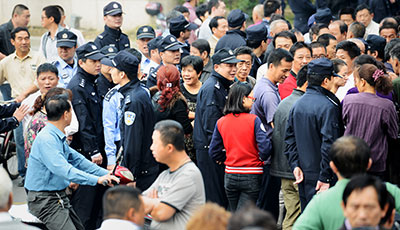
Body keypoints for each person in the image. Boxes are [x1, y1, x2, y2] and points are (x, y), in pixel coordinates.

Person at [24, 94, 118, 230]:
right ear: (66, 114)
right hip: (45, 200)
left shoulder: (55, 135)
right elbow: (65, 170)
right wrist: (97, 179)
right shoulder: (47, 139)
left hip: (57, 196)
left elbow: (79, 160)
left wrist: (108, 174)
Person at [285, 58, 343, 210]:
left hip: (303, 174)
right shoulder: (328, 106)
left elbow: (289, 139)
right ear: (326, 80)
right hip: (322, 176)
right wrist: (325, 176)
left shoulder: (298, 104)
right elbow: (329, 144)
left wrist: (295, 165)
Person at [209, 83, 272, 211]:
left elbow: (213, 150)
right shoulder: (254, 120)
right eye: (252, 99)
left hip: (230, 173)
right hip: (252, 173)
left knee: (233, 212)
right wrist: (259, 159)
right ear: (244, 99)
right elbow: (265, 148)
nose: (253, 102)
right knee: (244, 216)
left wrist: (225, 158)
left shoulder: (221, 121)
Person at [193, 48, 242, 208]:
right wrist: (220, 152)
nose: (233, 69)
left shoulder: (224, 85)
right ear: (216, 67)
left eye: (234, 65)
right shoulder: (212, 88)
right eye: (229, 65)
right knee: (215, 200)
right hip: (211, 150)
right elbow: (212, 126)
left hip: (217, 149)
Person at [66, 42, 107, 229]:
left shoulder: (92, 80)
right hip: (86, 152)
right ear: (81, 62)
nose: (98, 64)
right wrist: (94, 151)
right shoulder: (78, 86)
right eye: (93, 61)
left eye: (99, 60)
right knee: (85, 201)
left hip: (96, 149)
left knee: (96, 201)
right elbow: (84, 122)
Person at [107, 50, 159, 191]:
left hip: (141, 172)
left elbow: (133, 141)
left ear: (122, 74)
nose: (110, 71)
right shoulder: (138, 92)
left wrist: (130, 175)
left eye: (113, 69)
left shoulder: (133, 100)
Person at [0, 27, 45, 184]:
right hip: (19, 107)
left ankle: (41, 172)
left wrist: (25, 94)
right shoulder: (6, 62)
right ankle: (25, 174)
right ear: (13, 41)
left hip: (38, 105)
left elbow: (41, 80)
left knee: (39, 140)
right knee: (21, 141)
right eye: (20, 38)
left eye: (27, 38)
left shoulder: (38, 58)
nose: (24, 42)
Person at [142, 120, 205, 230]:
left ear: (169, 148)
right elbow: (138, 203)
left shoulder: (189, 175)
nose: (151, 147)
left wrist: (152, 204)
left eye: (155, 143)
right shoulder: (165, 175)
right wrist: (156, 203)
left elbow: (162, 213)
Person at [342, 64, 397, 178]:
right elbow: (393, 134)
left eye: (356, 80)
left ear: (362, 82)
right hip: (376, 161)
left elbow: (343, 122)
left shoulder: (348, 100)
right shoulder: (387, 105)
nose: (355, 84)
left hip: (350, 159)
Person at [271, 65, 308, 230]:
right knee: (298, 214)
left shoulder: (285, 102)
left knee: (291, 214)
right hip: (296, 169)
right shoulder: (301, 105)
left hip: (284, 167)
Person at [152, 64, 192, 137]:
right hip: (172, 142)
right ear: (177, 80)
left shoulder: (152, 96)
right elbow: (186, 129)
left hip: (155, 140)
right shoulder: (177, 102)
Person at [180, 55, 203, 121]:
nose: (186, 74)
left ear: (199, 73)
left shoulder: (205, 90)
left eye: (190, 71)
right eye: (183, 70)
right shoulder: (178, 90)